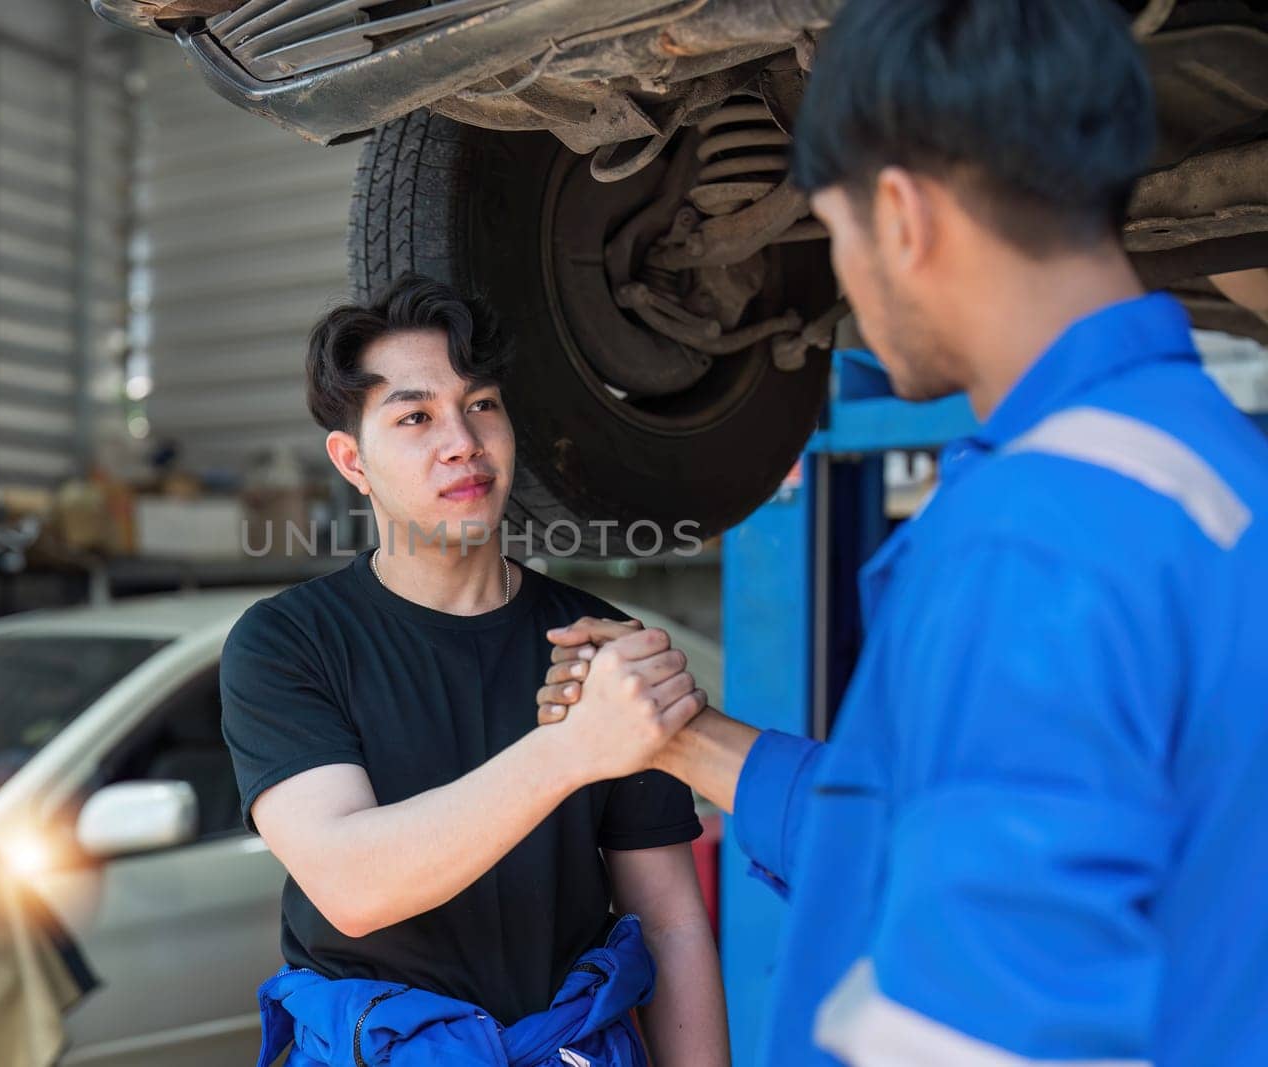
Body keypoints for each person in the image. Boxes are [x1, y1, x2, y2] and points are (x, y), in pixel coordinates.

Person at [536, 0, 1268, 1063]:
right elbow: (926, 838)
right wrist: (680, 736)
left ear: (903, 215)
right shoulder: (1211, 472)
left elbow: (986, 1019)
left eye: (832, 235)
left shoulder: (1036, 531)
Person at [218, 274, 730, 1066]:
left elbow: (667, 918)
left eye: (482, 403)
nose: (462, 439)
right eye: (416, 415)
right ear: (352, 460)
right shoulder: (289, 643)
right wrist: (574, 747)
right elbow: (354, 885)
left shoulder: (597, 642)